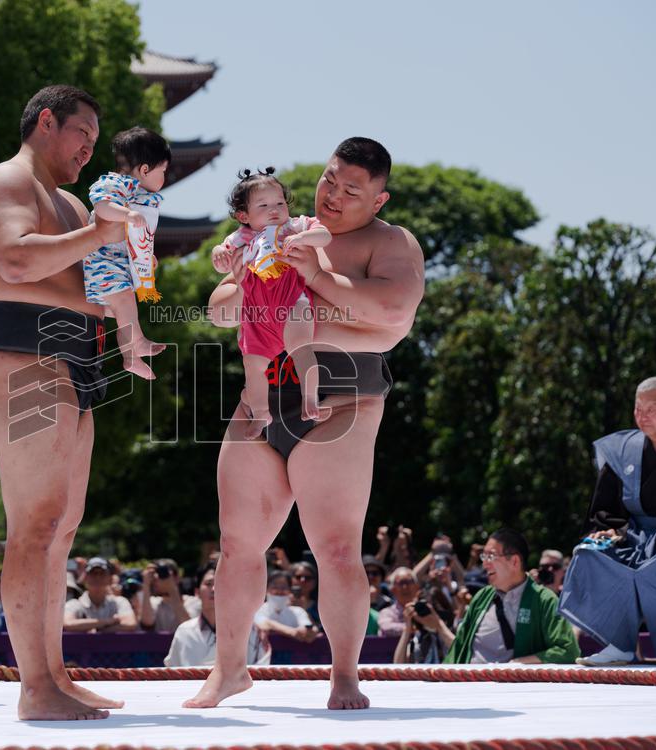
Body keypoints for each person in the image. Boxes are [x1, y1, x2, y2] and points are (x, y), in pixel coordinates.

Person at [189, 138, 424, 711]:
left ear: (378, 199)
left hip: (341, 402)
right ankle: (229, 670)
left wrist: (313, 277)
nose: (333, 196)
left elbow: (391, 315)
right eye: (328, 180)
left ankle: (345, 675)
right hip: (263, 400)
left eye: (351, 190)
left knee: (337, 547)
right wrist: (251, 275)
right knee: (237, 543)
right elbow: (220, 309)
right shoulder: (280, 231)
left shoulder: (390, 242)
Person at [0, 83, 127, 720]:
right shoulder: (2, 181)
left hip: (76, 361)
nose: (89, 149)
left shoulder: (70, 203)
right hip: (23, 355)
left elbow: (95, 280)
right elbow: (14, 260)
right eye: (82, 135)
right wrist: (99, 235)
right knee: (33, 526)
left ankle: (54, 674)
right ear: (47, 121)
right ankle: (34, 688)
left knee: (62, 528)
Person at [560, 377, 656, 667]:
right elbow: (604, 508)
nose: (642, 416)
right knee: (590, 552)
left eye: (651, 409)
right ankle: (618, 641)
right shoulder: (621, 449)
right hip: (633, 534)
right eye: (637, 409)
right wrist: (609, 529)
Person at [211, 168, 333, 438]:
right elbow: (222, 259)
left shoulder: (293, 226)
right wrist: (218, 253)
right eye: (264, 205)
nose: (275, 210)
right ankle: (261, 413)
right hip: (256, 313)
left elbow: (324, 235)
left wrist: (302, 238)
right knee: (253, 365)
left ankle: (310, 400)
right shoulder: (242, 238)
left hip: (291, 300)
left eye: (279, 203)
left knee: (301, 348)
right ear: (245, 216)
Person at [82, 127, 171, 379]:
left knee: (125, 310)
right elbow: (102, 207)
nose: (164, 177)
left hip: (121, 263)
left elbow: (140, 236)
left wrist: (145, 255)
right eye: (162, 171)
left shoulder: (142, 195)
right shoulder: (117, 183)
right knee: (124, 303)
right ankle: (138, 342)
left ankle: (130, 358)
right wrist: (127, 214)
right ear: (144, 170)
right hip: (103, 260)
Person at [445, 529, 579, 664]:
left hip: (512, 683)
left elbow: (568, 650)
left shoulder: (544, 600)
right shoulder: (482, 597)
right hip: (469, 682)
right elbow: (458, 647)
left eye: (490, 556)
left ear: (514, 561)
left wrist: (520, 663)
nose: (485, 564)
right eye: (483, 557)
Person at [165, 560, 270, 667]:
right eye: (209, 584)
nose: (215, 589)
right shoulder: (184, 631)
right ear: (197, 592)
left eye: (222, 583)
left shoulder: (251, 631)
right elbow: (174, 674)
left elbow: (262, 672)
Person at [63, 557, 138, 632]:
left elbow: (130, 623)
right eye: (93, 573)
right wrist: (109, 621)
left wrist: (95, 629)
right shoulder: (73, 604)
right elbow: (68, 624)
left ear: (110, 578)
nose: (97, 577)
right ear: (85, 577)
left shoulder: (120, 602)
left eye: (102, 573)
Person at [254, 569, 318, 643]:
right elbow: (263, 624)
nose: (279, 591)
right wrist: (291, 632)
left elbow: (307, 625)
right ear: (266, 589)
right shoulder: (257, 609)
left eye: (284, 587)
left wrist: (311, 632)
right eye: (275, 587)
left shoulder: (298, 611)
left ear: (290, 590)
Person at [139, 558, 200, 632]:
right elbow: (147, 623)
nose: (157, 580)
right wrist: (146, 585)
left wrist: (172, 589)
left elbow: (189, 627)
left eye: (162, 575)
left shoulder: (193, 602)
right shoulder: (153, 602)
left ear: (177, 578)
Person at [377, 567, 421, 637]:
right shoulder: (386, 612)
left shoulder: (425, 609)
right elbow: (386, 627)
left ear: (417, 586)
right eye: (401, 583)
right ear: (392, 589)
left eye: (409, 582)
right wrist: (414, 628)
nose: (405, 587)